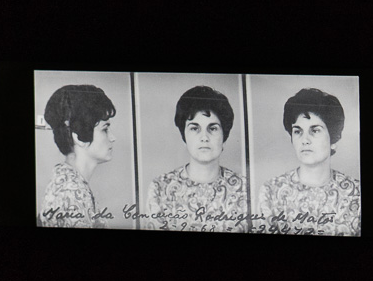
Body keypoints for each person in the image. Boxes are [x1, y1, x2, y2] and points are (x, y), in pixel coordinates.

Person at [144, 85, 249, 233]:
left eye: (213, 128)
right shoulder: (160, 189)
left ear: (224, 136)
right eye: (194, 128)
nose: (204, 137)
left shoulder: (245, 188)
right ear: (184, 135)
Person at [258, 87, 361, 236]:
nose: (304, 140)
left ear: (333, 139)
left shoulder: (355, 193)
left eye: (315, 130)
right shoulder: (272, 191)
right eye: (298, 131)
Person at [39, 84, 117, 228]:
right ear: (80, 138)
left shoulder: (73, 185)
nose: (113, 138)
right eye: (105, 129)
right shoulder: (71, 193)